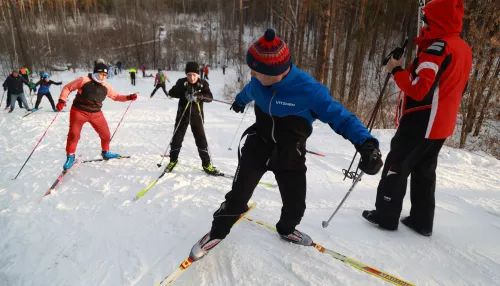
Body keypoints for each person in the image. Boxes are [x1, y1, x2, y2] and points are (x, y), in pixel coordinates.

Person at [189, 29, 383, 261]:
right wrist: (240, 102)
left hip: (290, 154)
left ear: (276, 72)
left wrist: (367, 143)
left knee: (296, 205)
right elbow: (250, 90)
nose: (251, 73)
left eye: (256, 70)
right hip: (257, 147)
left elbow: (341, 117)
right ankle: (217, 233)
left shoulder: (310, 91)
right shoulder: (258, 81)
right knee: (237, 198)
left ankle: (286, 229)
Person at [362, 0, 472, 237]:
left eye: (427, 20)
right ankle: (422, 221)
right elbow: (458, 86)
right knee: (424, 170)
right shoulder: (462, 47)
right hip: (442, 123)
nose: (424, 23)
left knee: (396, 166)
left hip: (421, 121)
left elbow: (419, 89)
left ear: (438, 20)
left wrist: (395, 70)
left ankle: (385, 216)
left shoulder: (437, 48)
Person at [56, 62, 138, 170]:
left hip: (96, 113)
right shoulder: (84, 80)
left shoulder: (105, 86)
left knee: (106, 135)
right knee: (74, 135)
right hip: (79, 111)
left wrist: (129, 97)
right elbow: (67, 88)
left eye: (106, 75)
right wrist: (62, 100)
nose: (104, 77)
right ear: (96, 72)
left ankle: (106, 152)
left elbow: (116, 96)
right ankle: (70, 156)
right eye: (102, 74)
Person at [165, 61, 220, 176]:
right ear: (186, 75)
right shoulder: (182, 82)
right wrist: (184, 92)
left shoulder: (203, 83)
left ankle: (206, 164)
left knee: (201, 140)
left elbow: (209, 97)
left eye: (194, 75)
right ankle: (173, 161)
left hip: (197, 116)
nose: (191, 77)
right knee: (177, 139)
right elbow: (171, 92)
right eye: (189, 75)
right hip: (183, 115)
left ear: (198, 74)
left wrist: (200, 97)